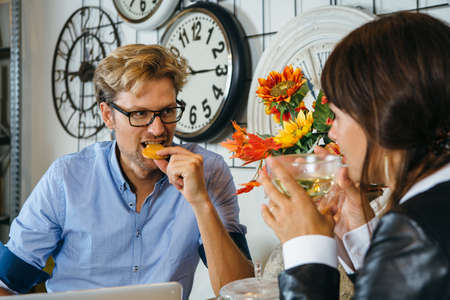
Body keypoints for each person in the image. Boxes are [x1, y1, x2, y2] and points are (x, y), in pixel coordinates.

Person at [0, 44, 254, 298]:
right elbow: (7, 283)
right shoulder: (66, 178)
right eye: (140, 114)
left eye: (167, 111)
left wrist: (201, 202)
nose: (157, 129)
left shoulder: (208, 171)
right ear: (108, 115)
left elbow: (241, 291)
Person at [259, 12, 450, 299]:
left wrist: (306, 247)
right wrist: (362, 229)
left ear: (380, 114)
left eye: (336, 116)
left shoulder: (417, 230)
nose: (332, 133)